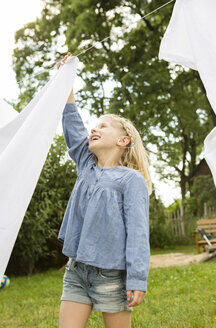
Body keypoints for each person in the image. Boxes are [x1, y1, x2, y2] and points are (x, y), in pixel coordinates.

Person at [57, 53, 152, 328]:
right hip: (76, 271)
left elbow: (138, 232)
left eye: (103, 125)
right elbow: (73, 124)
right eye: (94, 126)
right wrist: (67, 81)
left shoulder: (130, 180)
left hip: (112, 276)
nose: (94, 128)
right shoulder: (86, 165)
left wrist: (137, 279)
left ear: (123, 140)